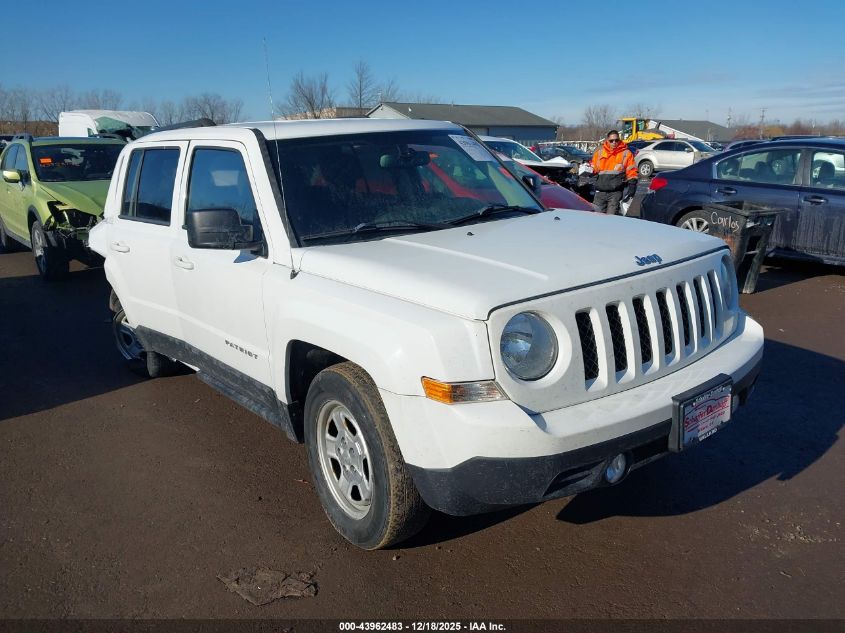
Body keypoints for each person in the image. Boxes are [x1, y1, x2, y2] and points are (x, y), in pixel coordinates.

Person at [589, 130, 638, 215]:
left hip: (615, 193)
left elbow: (631, 170)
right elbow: (594, 168)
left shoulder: (626, 153)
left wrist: (632, 185)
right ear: (607, 140)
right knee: (596, 217)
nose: (614, 142)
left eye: (616, 140)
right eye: (611, 141)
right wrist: (586, 170)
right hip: (600, 192)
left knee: (611, 218)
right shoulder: (599, 153)